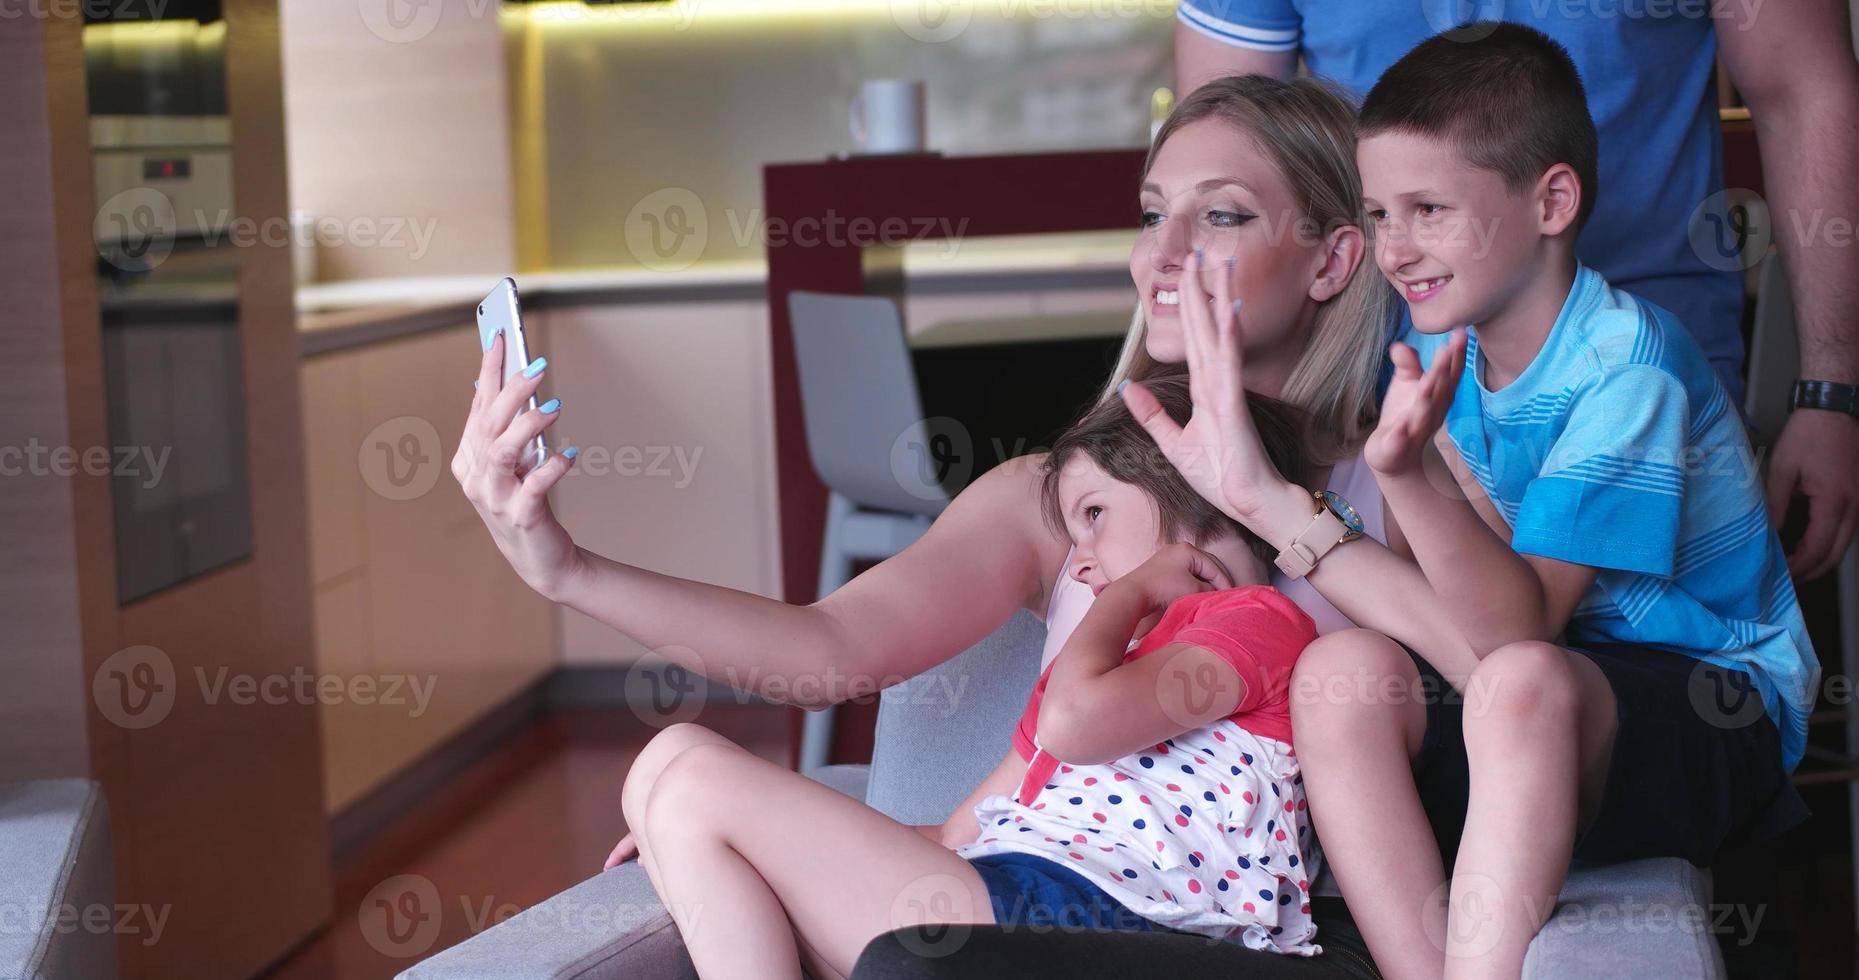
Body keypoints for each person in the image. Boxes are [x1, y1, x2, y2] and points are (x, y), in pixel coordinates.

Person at [459, 73, 1472, 978]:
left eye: (1219, 216)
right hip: (1031, 907)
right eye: (1151, 211)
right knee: (679, 776)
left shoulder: (1400, 477)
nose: (1160, 254)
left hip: (1231, 933)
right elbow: (829, 651)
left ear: (1332, 261)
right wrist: (568, 570)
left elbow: (1512, 683)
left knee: (693, 787)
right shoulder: (1060, 488)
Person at [1286, 25, 1815, 979]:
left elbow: (1515, 631)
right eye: (1377, 213)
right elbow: (1437, 602)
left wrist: (1409, 472)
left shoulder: (1627, 369)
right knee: (1340, 673)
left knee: (1517, 684)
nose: (1393, 249)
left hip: (1708, 702)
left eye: (1428, 210)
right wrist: (1418, 471)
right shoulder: (1452, 353)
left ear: (1551, 201)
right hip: (1551, 690)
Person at [602, 375, 1335, 979]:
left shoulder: (1253, 620)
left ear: (1188, 482)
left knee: (696, 784)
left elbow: (1073, 726)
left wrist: (1125, 594)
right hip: (1004, 897)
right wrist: (768, 830)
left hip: (1088, 925)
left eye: (1093, 515)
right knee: (668, 762)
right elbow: (957, 832)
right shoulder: (1096, 672)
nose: (1079, 562)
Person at [1176, 0, 1859, 582]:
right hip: (1367, 386)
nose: (1397, 239)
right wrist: (1216, 417)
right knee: (1369, 678)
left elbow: (1801, 93)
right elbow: (1223, 165)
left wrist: (1831, 392)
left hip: (1657, 383)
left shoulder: (1637, 383)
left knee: (1572, 666)